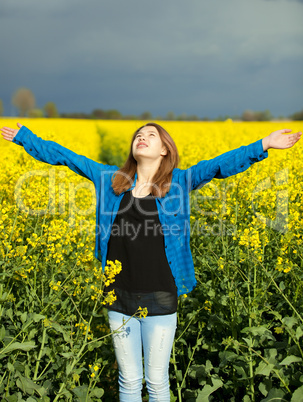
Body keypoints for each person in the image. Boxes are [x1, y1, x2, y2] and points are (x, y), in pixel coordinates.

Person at [1, 122, 301, 401]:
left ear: (164, 149)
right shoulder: (111, 180)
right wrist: (26, 138)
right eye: (138, 135)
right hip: (117, 295)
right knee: (129, 379)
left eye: (151, 135)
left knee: (157, 380)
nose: (141, 138)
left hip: (160, 294)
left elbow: (220, 165)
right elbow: (66, 157)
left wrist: (265, 143)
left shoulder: (180, 181)